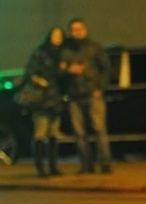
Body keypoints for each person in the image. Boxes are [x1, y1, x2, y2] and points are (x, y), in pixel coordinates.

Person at [62, 17, 112, 174]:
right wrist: (68, 71)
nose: (77, 32)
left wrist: (100, 88)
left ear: (85, 29)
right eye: (74, 30)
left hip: (92, 93)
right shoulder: (66, 50)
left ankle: (105, 164)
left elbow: (106, 68)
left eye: (79, 29)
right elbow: (60, 70)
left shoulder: (94, 47)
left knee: (99, 129)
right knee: (79, 133)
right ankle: (86, 165)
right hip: (74, 95)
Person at [21, 26, 67, 177]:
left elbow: (63, 76)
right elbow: (29, 72)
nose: (57, 38)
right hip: (42, 99)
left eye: (60, 36)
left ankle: (53, 167)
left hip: (56, 98)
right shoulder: (40, 53)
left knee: (54, 134)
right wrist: (40, 81)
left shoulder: (63, 54)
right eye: (55, 35)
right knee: (40, 133)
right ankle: (40, 168)